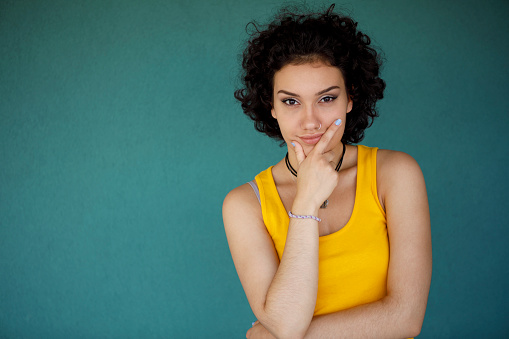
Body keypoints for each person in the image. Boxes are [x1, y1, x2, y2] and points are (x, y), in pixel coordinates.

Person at [223, 4, 431, 338]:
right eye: (291, 101)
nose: (310, 122)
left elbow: (406, 318)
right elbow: (287, 324)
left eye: (326, 99)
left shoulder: (395, 174)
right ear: (271, 107)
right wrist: (305, 202)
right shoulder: (245, 204)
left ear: (351, 98)